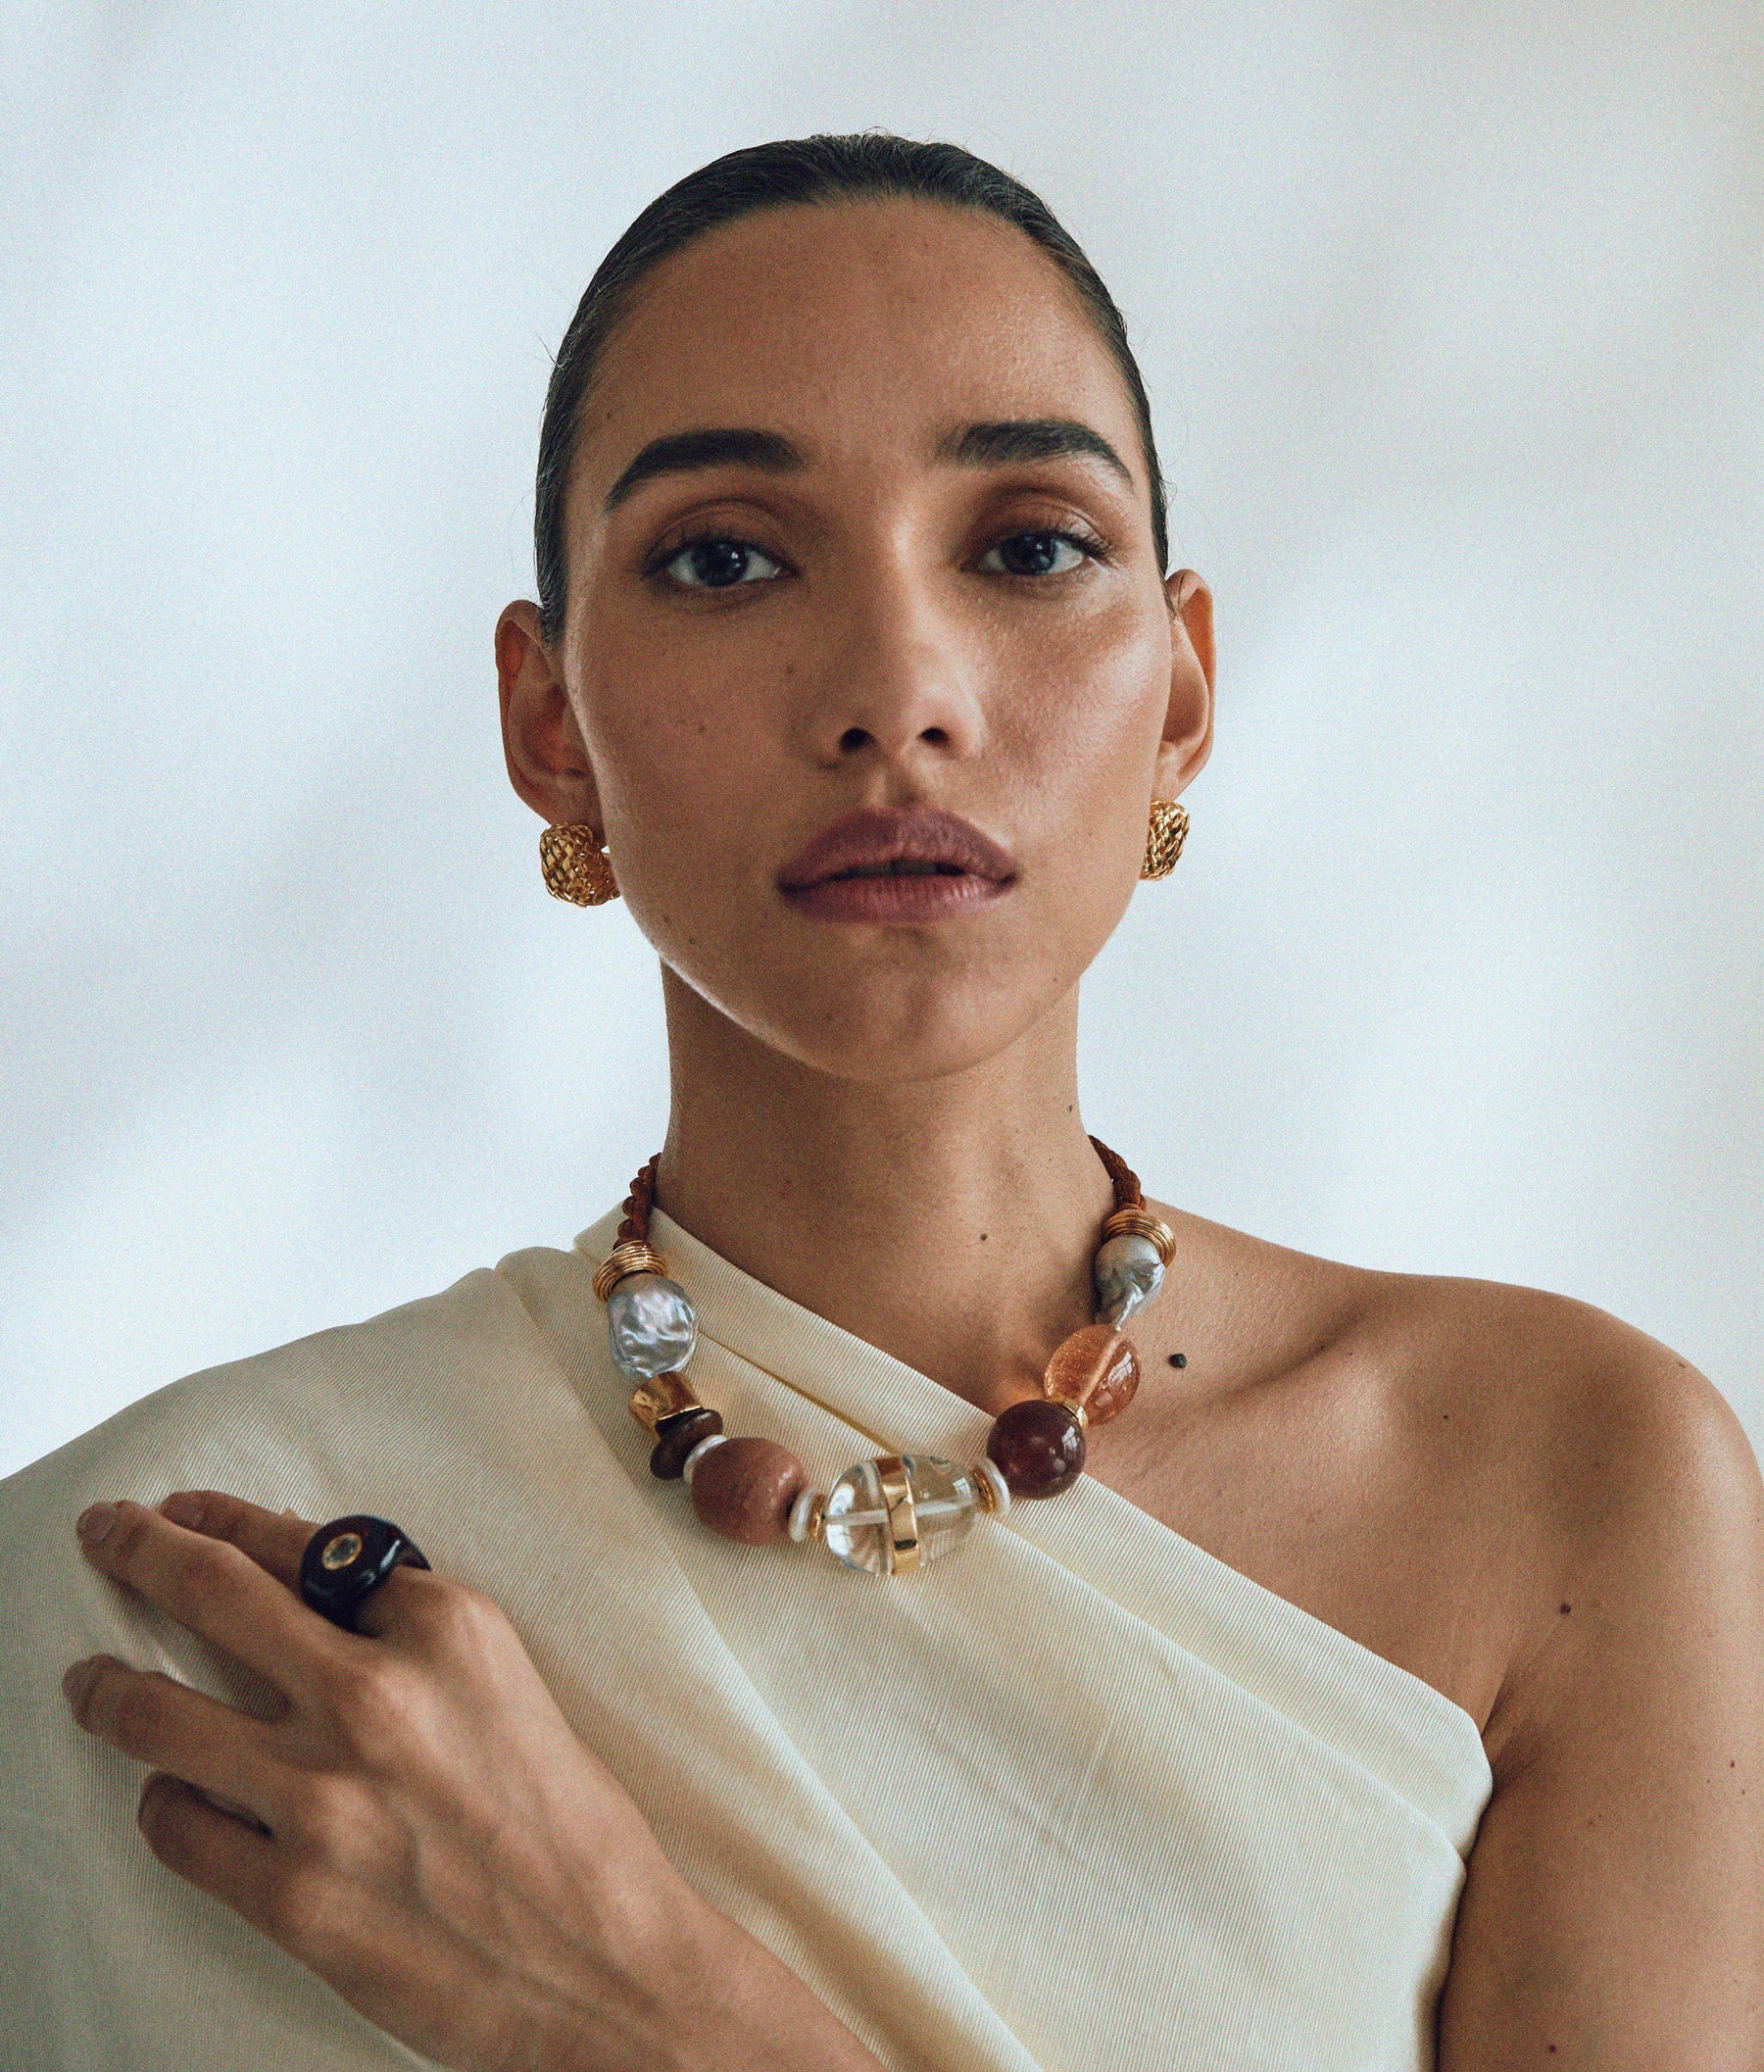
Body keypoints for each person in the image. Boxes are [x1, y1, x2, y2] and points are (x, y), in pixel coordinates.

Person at [1, 132, 1758, 2072]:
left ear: (1180, 693)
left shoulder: (1567, 1486)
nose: (897, 689)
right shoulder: (147, 1592)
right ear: (548, 728)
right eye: (727, 557)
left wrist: (642, 2010)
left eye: (1023, 546)